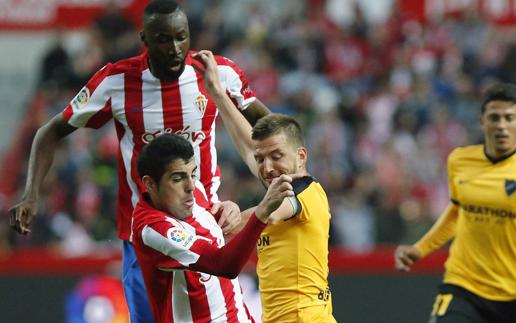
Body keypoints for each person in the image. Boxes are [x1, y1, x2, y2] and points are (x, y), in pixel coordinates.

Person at [9, 1, 269, 321]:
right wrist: (31, 193)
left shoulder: (218, 73)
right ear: (144, 38)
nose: (174, 48)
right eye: (163, 39)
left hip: (206, 224)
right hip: (144, 237)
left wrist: (285, 166)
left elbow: (269, 127)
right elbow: (50, 131)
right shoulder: (116, 81)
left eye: (181, 37)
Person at [394, 83, 516, 323]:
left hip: (515, 293)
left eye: (509, 118)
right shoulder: (460, 160)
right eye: (494, 117)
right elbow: (458, 212)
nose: (501, 125)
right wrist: (420, 249)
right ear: (482, 121)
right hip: (463, 284)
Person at [191, 49, 336, 322]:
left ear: (301, 156)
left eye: (277, 157)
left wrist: (220, 218)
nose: (268, 167)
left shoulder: (302, 192)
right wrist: (218, 95)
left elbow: (266, 213)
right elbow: (250, 149)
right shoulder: (280, 181)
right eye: (262, 160)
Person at [132, 133, 296, 323]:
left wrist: (230, 209)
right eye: (177, 179)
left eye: (192, 174)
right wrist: (263, 211)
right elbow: (224, 265)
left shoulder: (195, 194)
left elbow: (217, 225)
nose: (190, 186)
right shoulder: (152, 228)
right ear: (150, 184)